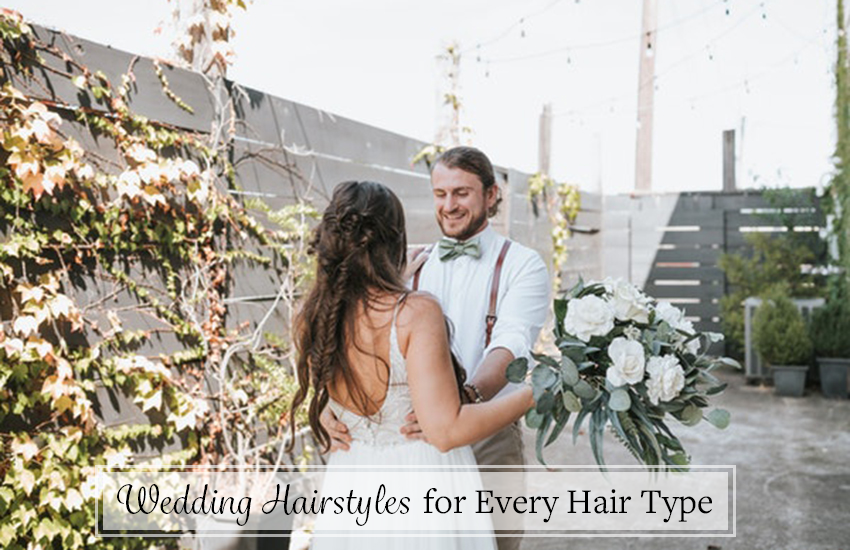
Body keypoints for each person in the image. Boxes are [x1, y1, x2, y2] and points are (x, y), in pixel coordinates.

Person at [322, 147, 551, 550]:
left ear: (491, 194)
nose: (449, 205)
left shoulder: (523, 264)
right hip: (412, 446)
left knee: (494, 540)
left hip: (489, 429)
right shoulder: (405, 263)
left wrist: (463, 398)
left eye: (461, 193)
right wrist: (331, 406)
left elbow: (511, 342)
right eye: (440, 194)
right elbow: (356, 333)